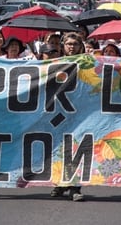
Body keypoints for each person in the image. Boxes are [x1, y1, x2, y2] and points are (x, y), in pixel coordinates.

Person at [51, 32, 87, 202]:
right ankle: (59, 183)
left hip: (80, 113)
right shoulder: (54, 64)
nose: (72, 47)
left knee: (77, 148)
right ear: (63, 46)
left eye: (75, 44)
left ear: (81, 46)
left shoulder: (88, 64)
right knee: (59, 148)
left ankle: (75, 187)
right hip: (59, 112)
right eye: (69, 44)